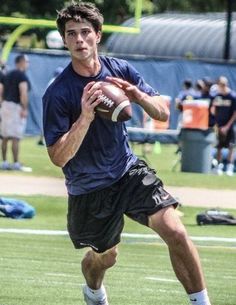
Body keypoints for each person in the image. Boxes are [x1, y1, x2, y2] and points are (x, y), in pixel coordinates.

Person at [43, 2, 212, 305]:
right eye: (72, 34)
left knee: (174, 229)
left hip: (127, 171)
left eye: (85, 32)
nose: (79, 40)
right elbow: (58, 157)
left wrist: (139, 96)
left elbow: (162, 113)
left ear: (97, 34)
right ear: (65, 40)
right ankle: (94, 292)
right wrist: (85, 116)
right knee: (104, 258)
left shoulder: (119, 69)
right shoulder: (58, 92)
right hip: (89, 187)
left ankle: (201, 302)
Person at [0, 54, 31, 171]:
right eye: (27, 62)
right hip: (16, 107)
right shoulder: (21, 75)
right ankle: (16, 163)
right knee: (15, 137)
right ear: (21, 62)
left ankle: (4, 162)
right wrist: (24, 108)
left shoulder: (7, 75)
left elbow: (0, 90)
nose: (28, 64)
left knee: (4, 137)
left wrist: (2, 103)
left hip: (5, 106)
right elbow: (23, 93)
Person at [210, 76, 236, 176]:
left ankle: (229, 167)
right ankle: (219, 167)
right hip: (220, 126)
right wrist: (217, 125)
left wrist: (227, 126)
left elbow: (235, 113)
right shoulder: (218, 96)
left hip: (229, 126)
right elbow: (215, 110)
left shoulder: (232, 97)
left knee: (231, 146)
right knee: (219, 147)